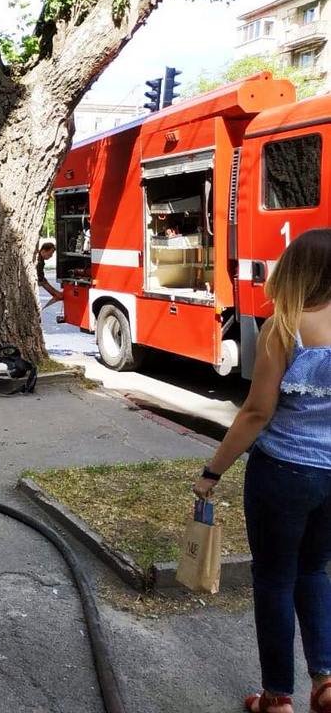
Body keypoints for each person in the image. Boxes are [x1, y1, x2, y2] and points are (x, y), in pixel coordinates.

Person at [191, 228, 331, 713]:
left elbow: (255, 412)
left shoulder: (285, 326)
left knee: (274, 579)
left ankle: (277, 697)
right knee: (315, 570)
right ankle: (326, 681)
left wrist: (213, 471)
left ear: (297, 272)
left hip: (284, 474)